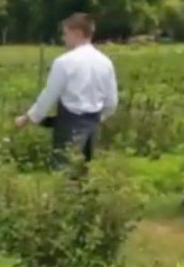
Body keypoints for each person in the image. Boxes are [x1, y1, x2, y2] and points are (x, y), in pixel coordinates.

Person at [14, 13, 118, 168]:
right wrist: (96, 118)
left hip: (70, 125)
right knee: (86, 170)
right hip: (93, 124)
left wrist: (27, 118)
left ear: (77, 33)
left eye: (65, 33)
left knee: (64, 170)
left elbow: (49, 96)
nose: (63, 38)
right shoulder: (105, 62)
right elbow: (111, 102)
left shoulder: (64, 62)